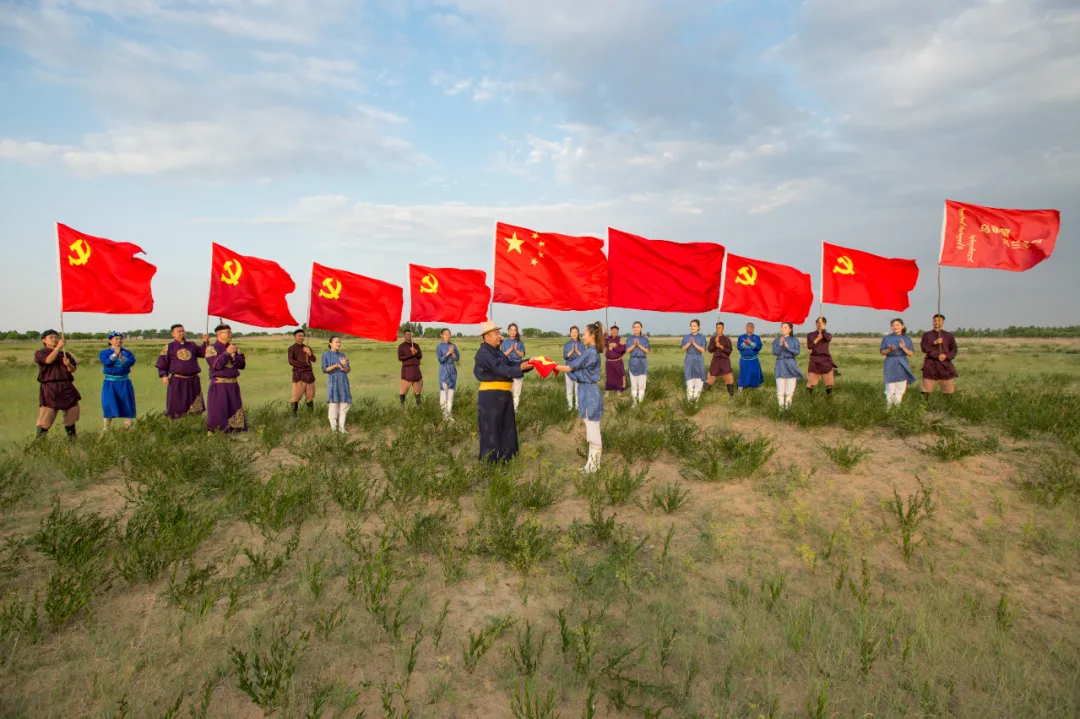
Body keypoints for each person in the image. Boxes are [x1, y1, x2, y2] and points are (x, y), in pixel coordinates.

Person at [474, 321, 533, 462]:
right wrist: (520, 369)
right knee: (492, 429)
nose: (499, 336)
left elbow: (510, 364)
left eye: (499, 333)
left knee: (507, 427)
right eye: (496, 333)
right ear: (486, 336)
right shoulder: (483, 353)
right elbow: (499, 369)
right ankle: (491, 461)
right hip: (491, 397)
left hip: (504, 395)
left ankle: (507, 457)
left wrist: (530, 362)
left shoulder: (498, 352)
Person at [557, 321, 605, 473]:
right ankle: (590, 465)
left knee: (593, 428)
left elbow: (570, 367)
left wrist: (549, 365)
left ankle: (594, 466)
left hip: (589, 392)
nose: (583, 336)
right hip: (586, 391)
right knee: (590, 428)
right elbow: (574, 371)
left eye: (585, 334)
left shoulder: (589, 353)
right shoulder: (590, 352)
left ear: (592, 336)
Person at [155, 324, 209, 418]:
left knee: (195, 404)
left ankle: (195, 425)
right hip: (177, 381)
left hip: (193, 381)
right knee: (177, 405)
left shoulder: (192, 345)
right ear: (173, 334)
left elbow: (203, 353)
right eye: (178, 331)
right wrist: (164, 375)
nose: (181, 333)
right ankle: (178, 425)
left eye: (182, 331)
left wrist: (205, 342)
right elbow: (162, 363)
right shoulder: (169, 347)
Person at [35, 330, 80, 440]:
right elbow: (48, 361)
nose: (55, 339)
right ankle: (40, 442)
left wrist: (68, 364)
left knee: (72, 413)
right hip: (50, 387)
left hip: (66, 385)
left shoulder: (65, 354)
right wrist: (57, 348)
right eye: (51, 337)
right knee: (47, 415)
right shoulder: (41, 353)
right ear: (44, 340)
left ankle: (72, 440)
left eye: (56, 337)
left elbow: (72, 369)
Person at [205, 323, 247, 433]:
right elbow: (216, 365)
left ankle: (236, 432)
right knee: (218, 409)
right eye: (227, 332)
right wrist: (227, 353)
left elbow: (242, 365)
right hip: (219, 383)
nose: (230, 334)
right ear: (219, 334)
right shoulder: (211, 348)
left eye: (230, 332)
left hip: (233, 383)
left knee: (235, 408)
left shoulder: (234, 348)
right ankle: (216, 432)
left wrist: (234, 356)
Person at [99, 331, 136, 430]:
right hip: (110, 383)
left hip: (124, 382)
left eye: (120, 338)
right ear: (110, 341)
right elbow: (107, 363)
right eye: (116, 339)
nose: (118, 340)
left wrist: (122, 357)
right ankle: (106, 429)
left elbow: (131, 362)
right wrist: (115, 354)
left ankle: (129, 428)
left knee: (126, 403)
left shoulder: (127, 353)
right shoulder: (104, 353)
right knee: (108, 404)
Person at [921, 314, 959, 399]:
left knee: (948, 389)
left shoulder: (948, 335)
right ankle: (925, 408)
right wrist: (934, 343)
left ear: (943, 322)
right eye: (935, 321)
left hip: (944, 364)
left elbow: (954, 350)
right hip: (930, 364)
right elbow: (924, 349)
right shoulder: (927, 335)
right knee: (926, 388)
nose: (936, 322)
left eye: (939, 321)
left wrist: (946, 356)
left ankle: (947, 408)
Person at [881, 318, 917, 408]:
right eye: (893, 325)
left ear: (902, 326)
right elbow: (882, 352)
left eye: (897, 325)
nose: (895, 327)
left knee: (900, 387)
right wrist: (889, 349)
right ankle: (889, 407)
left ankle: (897, 408)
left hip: (901, 362)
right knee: (889, 386)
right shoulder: (887, 338)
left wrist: (903, 347)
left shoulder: (907, 339)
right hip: (890, 362)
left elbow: (911, 354)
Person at [322, 336, 352, 432]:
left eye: (339, 342)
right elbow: (325, 369)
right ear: (330, 343)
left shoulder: (342, 355)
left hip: (343, 380)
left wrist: (343, 365)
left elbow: (347, 369)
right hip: (333, 380)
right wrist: (335, 365)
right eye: (336, 342)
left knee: (344, 403)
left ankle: (342, 428)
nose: (338, 344)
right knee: (333, 404)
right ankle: (333, 429)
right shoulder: (326, 355)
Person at [772, 322, 802, 409]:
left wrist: (787, 347)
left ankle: (788, 408)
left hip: (791, 364)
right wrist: (781, 345)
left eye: (785, 327)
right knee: (780, 389)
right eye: (782, 327)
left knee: (790, 390)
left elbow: (797, 352)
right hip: (780, 364)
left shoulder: (794, 340)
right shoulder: (776, 340)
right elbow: (774, 352)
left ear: (790, 329)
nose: (783, 329)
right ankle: (781, 409)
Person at [287, 328, 316, 419]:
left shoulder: (307, 347)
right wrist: (304, 365)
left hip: (309, 375)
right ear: (295, 337)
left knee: (310, 396)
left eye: (303, 336)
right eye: (299, 336)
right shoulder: (292, 348)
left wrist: (309, 352)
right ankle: (294, 415)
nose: (301, 337)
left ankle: (310, 416)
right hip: (298, 375)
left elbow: (314, 360)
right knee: (296, 396)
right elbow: (291, 361)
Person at [806, 317, 836, 395]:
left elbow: (828, 338)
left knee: (829, 382)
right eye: (817, 323)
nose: (819, 324)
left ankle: (829, 400)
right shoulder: (810, 335)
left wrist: (822, 332)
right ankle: (808, 400)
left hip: (825, 359)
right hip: (814, 360)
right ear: (815, 324)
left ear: (824, 324)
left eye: (821, 323)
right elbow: (810, 346)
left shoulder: (828, 334)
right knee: (811, 382)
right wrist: (817, 339)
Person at [500, 323, 526, 410]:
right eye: (511, 330)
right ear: (508, 331)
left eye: (514, 330)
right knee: (508, 389)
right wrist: (511, 349)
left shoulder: (520, 342)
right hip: (507, 365)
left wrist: (516, 350)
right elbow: (503, 355)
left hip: (518, 365)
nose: (512, 332)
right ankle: (508, 408)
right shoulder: (504, 342)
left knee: (517, 389)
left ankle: (515, 409)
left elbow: (522, 355)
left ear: (516, 331)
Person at [705, 321, 735, 396]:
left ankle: (732, 397)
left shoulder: (727, 339)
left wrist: (721, 346)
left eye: (720, 328)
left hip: (725, 361)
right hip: (716, 361)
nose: (718, 329)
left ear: (723, 328)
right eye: (717, 328)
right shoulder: (713, 339)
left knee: (729, 379)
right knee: (710, 379)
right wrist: (715, 343)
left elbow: (729, 351)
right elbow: (710, 350)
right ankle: (703, 395)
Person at [436, 328, 460, 420]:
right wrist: (448, 353)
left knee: (451, 392)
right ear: (441, 335)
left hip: (452, 369)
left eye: (449, 334)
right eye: (445, 334)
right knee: (443, 392)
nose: (448, 336)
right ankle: (444, 415)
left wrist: (453, 352)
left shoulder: (453, 345)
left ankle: (449, 415)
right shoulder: (439, 346)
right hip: (444, 370)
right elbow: (440, 359)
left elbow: (457, 358)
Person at [681, 319, 707, 400]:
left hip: (698, 359)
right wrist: (689, 343)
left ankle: (696, 401)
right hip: (689, 359)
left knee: (698, 382)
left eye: (695, 326)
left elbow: (703, 350)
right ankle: (689, 402)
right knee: (689, 380)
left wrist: (694, 343)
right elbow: (683, 349)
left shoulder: (702, 337)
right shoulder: (686, 337)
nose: (693, 327)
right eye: (691, 326)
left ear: (698, 327)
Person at [397, 329, 423, 407]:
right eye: (407, 334)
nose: (409, 336)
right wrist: (411, 354)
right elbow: (400, 358)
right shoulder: (401, 346)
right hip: (407, 370)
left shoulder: (416, 345)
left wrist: (416, 352)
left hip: (416, 369)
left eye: (410, 334)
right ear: (404, 335)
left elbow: (420, 356)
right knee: (404, 389)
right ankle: (402, 406)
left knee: (417, 389)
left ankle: (419, 406)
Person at [627, 321, 650, 405]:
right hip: (633, 361)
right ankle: (634, 402)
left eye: (638, 327)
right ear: (633, 328)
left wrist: (639, 345)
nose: (636, 329)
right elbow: (628, 350)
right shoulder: (629, 339)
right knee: (634, 384)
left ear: (641, 328)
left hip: (642, 362)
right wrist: (634, 345)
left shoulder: (645, 339)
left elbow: (647, 351)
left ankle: (640, 402)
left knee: (642, 384)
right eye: (634, 327)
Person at [737, 322, 764, 390]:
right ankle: (741, 391)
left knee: (754, 374)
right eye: (748, 326)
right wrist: (745, 343)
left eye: (752, 327)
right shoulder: (741, 337)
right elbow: (739, 347)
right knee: (743, 375)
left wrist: (751, 343)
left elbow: (758, 347)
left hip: (754, 360)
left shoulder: (757, 337)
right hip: (744, 360)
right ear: (746, 328)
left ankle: (755, 390)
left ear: (753, 328)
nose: (750, 328)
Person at [562, 326, 584, 410]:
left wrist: (578, 352)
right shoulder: (567, 344)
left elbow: (584, 357)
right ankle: (570, 406)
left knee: (578, 389)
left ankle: (577, 406)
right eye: (572, 332)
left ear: (578, 333)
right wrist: (571, 352)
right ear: (570, 334)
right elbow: (565, 356)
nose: (574, 334)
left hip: (578, 370)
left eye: (576, 332)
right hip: (568, 368)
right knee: (569, 389)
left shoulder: (581, 344)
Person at [604, 325, 627, 394]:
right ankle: (607, 391)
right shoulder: (607, 338)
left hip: (618, 361)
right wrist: (605, 334)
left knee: (618, 376)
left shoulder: (620, 339)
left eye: (615, 330)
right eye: (613, 330)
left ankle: (618, 390)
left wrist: (614, 348)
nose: (614, 331)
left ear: (617, 331)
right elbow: (602, 342)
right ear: (611, 331)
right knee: (609, 376)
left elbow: (622, 349)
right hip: (609, 362)